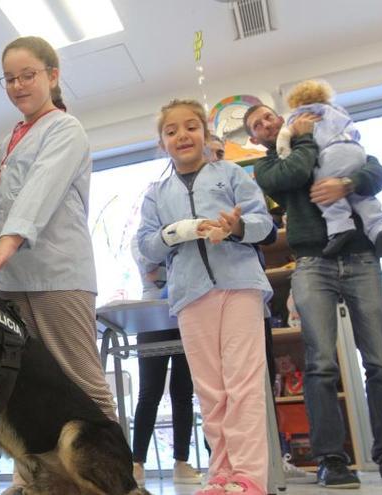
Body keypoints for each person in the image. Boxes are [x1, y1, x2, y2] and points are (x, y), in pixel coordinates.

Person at [0, 36, 119, 493]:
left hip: (58, 275)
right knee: (26, 385)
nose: (19, 85)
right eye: (11, 78)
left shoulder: (65, 129)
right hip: (10, 277)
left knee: (83, 381)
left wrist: (10, 241)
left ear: (53, 76)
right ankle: (34, 479)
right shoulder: (7, 142)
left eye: (29, 75)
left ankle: (120, 477)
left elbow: (41, 188)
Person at [245, 103, 382, 487]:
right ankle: (330, 460)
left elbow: (377, 171)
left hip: (362, 256)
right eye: (257, 125)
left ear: (280, 117)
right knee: (320, 363)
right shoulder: (267, 167)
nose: (267, 123)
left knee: (380, 361)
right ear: (254, 139)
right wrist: (299, 137)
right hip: (312, 261)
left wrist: (345, 185)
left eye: (269, 116)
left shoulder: (334, 138)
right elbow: (296, 172)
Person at [137, 99, 273, 495]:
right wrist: (175, 233)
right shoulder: (156, 193)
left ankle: (249, 477)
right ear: (162, 142)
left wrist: (237, 226)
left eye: (191, 126)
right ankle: (221, 475)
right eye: (171, 130)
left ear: (205, 133)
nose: (182, 135)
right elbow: (146, 246)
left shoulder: (230, 173)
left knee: (242, 384)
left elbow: (263, 223)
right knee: (210, 389)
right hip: (190, 295)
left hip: (239, 287)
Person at [275, 80, 382, 257]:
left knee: (322, 187)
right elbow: (355, 133)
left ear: (296, 102)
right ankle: (379, 227)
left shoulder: (300, 116)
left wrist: (284, 152)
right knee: (362, 196)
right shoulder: (337, 110)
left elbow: (285, 136)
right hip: (355, 150)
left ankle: (340, 226)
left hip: (331, 153)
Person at [129, 237, 202, 487]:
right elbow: (150, 270)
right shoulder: (142, 238)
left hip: (185, 310)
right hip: (151, 315)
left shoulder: (185, 237)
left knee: (184, 392)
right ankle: (137, 463)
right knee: (149, 393)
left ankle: (181, 462)